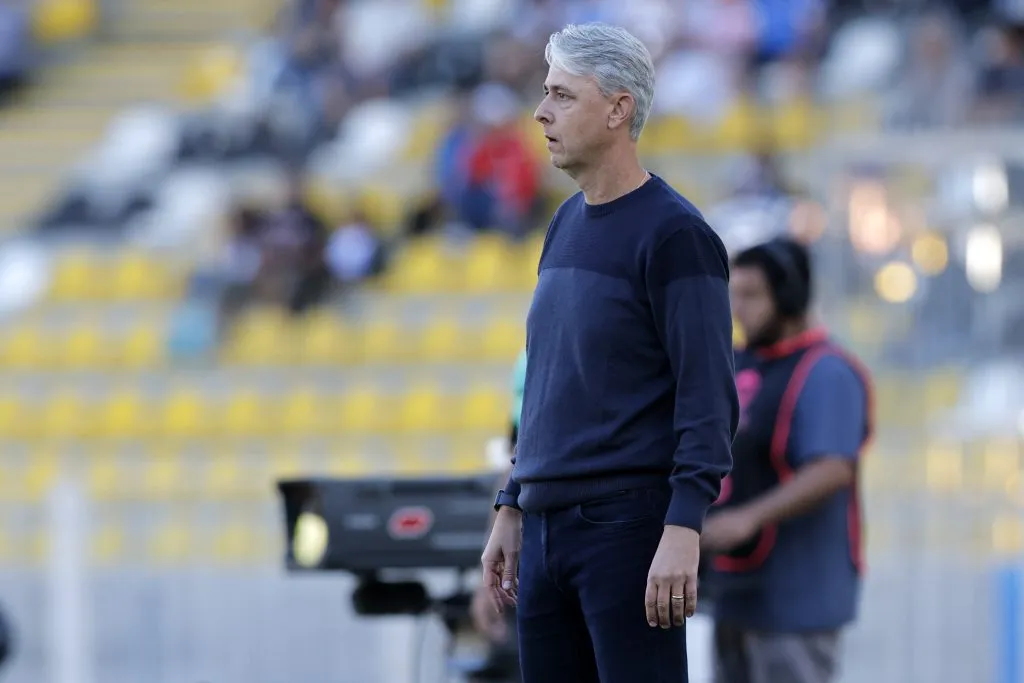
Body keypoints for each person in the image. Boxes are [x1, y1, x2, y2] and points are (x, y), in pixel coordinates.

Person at [480, 23, 739, 683]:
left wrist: (684, 525)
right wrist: (513, 501)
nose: (540, 112)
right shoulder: (564, 223)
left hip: (628, 527)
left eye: (562, 95)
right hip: (543, 526)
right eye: (545, 93)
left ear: (619, 109)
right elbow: (545, 385)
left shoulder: (676, 234)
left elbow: (708, 394)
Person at [703, 237, 874, 683]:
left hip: (797, 597)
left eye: (751, 295)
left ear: (790, 295)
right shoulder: (737, 363)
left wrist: (749, 518)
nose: (738, 308)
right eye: (734, 295)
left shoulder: (827, 371)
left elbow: (832, 467)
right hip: (734, 591)